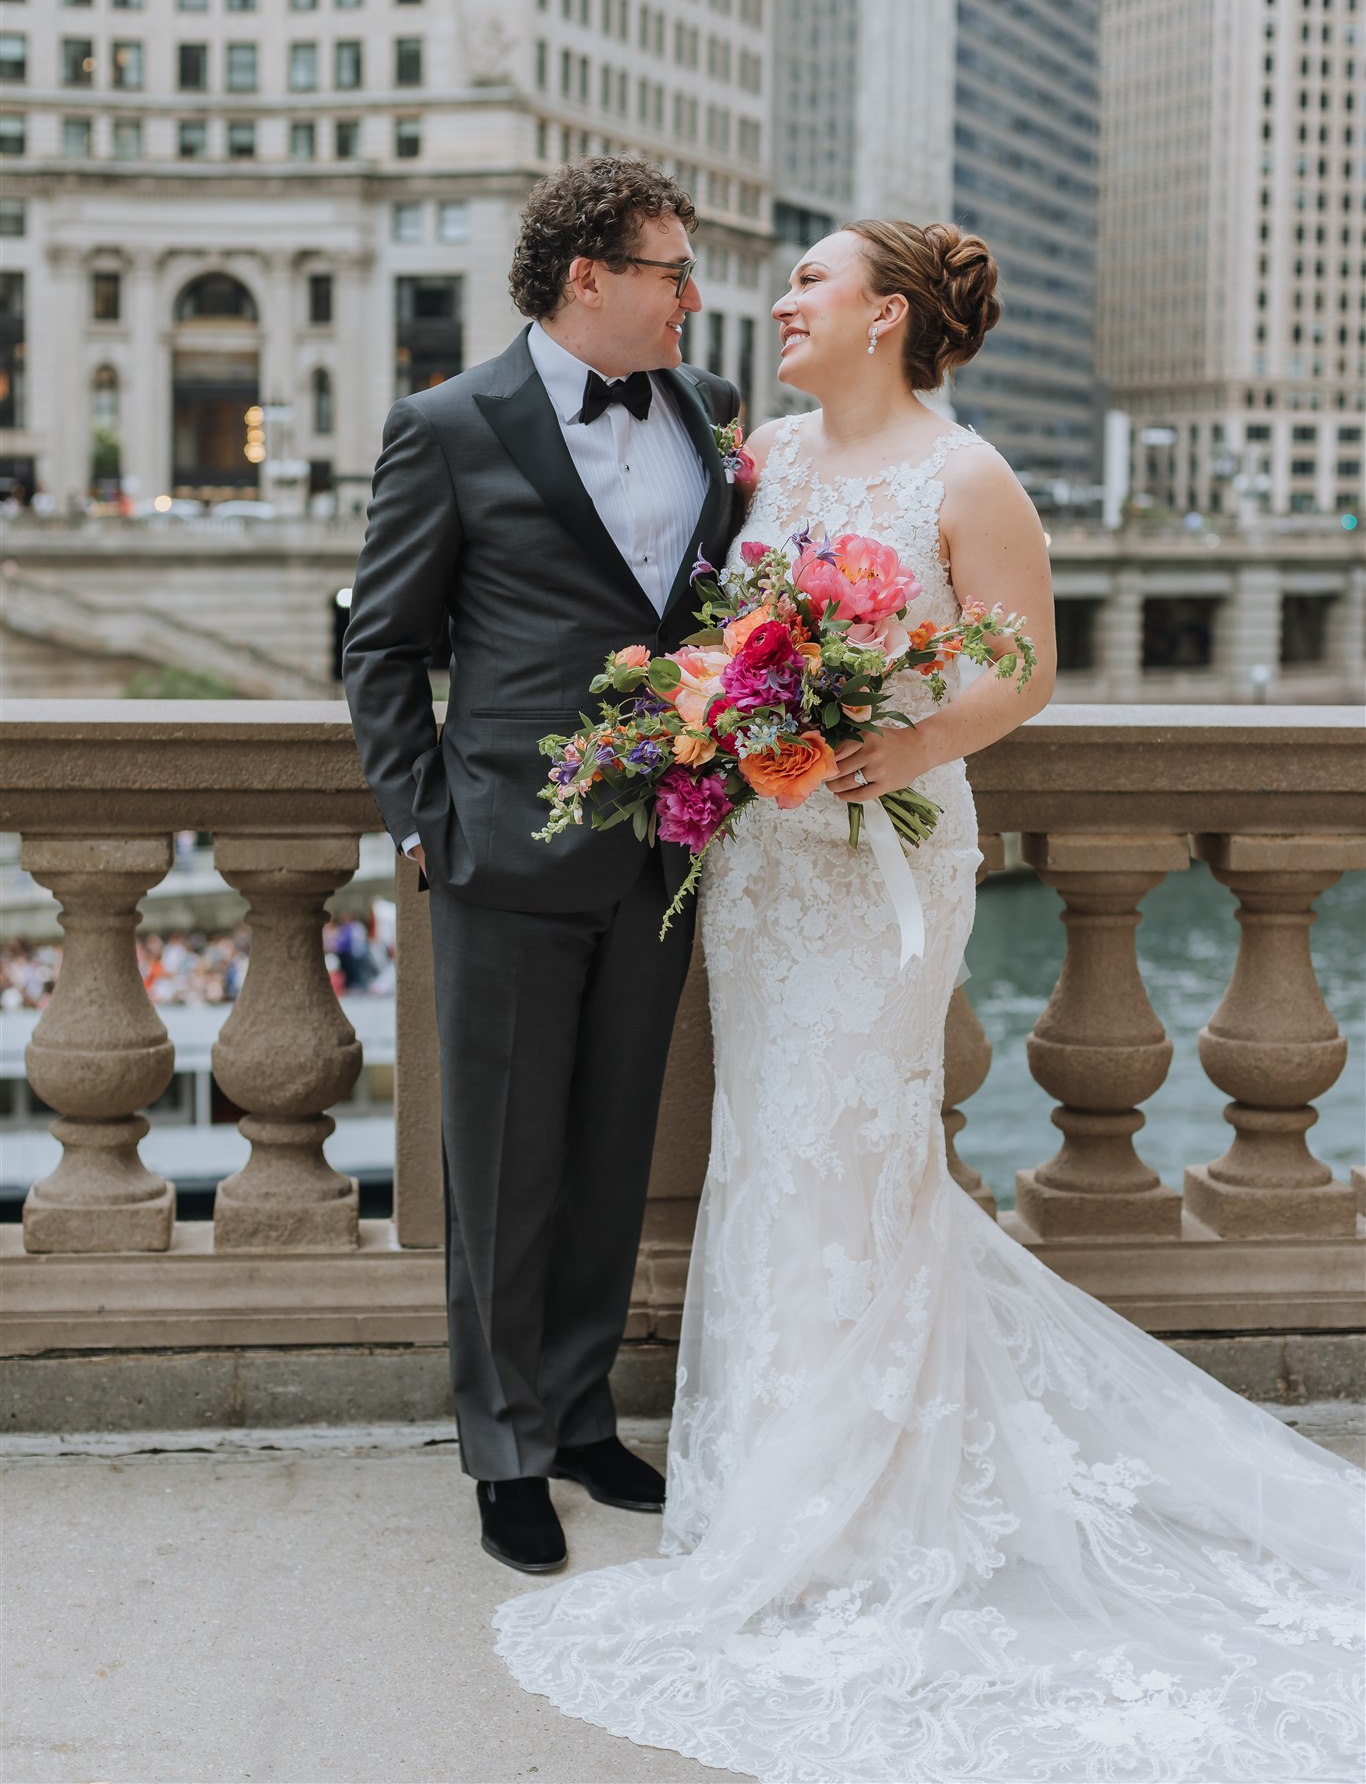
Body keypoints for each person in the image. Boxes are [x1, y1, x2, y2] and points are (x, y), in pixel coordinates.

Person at [492, 221, 1364, 1782]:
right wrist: (717, 713)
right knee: (777, 1151)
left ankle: (848, 1498)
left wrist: (897, 746)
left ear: (884, 316)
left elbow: (1017, 668)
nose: (779, 302)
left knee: (853, 1151)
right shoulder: (752, 460)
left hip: (885, 858)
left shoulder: (965, 476)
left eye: (809, 285)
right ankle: (787, 1470)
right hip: (765, 861)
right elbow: (718, 634)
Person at [343, 157, 741, 1576]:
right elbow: (383, 649)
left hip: (662, 850)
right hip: (502, 854)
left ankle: (577, 1418)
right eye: (671, 270)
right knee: (501, 1171)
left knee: (607, 1156)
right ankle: (503, 1448)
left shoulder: (703, 413)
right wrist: (425, 827)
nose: (693, 295)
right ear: (590, 277)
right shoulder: (446, 426)